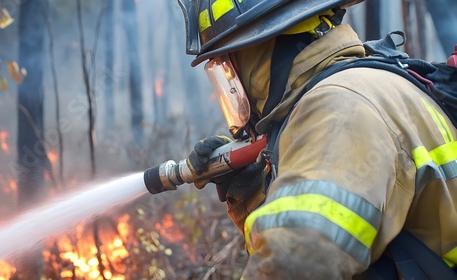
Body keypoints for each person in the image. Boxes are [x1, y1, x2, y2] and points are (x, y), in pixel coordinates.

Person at [180, 0, 457, 279]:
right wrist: (252, 198)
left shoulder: (337, 107)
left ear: (258, 50)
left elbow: (298, 260)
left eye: (228, 65)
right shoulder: (370, 82)